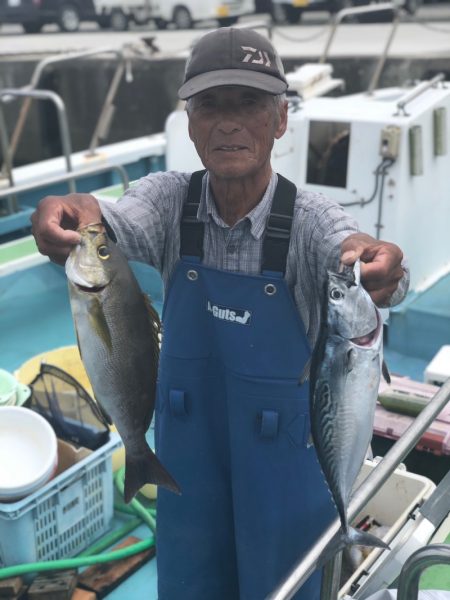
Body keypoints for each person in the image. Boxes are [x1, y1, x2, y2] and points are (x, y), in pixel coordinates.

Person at [31, 27, 408, 600]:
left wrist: (385, 270)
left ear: (280, 120)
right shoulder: (166, 201)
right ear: (190, 122)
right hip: (187, 472)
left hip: (287, 478)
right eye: (210, 105)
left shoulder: (308, 220)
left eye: (249, 104)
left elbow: (354, 249)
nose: (228, 122)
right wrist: (70, 213)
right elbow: (106, 221)